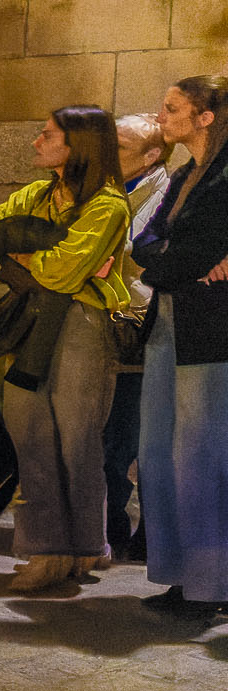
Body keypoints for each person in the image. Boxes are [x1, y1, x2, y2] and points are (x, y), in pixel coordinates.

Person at [0, 107, 131, 591]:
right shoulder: (34, 194)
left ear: (79, 144)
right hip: (30, 323)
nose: (36, 143)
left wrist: (23, 248)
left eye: (47, 135)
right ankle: (44, 549)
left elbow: (64, 272)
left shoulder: (108, 204)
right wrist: (40, 247)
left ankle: (84, 547)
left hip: (82, 325)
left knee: (78, 441)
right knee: (28, 434)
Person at [135, 75, 228, 618]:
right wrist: (177, 260)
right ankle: (179, 574)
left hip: (212, 327)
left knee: (201, 453)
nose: (161, 116)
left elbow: (175, 256)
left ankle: (213, 583)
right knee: (158, 450)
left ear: (205, 116)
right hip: (170, 317)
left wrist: (177, 260)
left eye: (172, 108)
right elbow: (145, 243)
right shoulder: (184, 174)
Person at [104, 112, 171, 560]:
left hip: (140, 325)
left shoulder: (164, 192)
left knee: (139, 439)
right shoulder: (109, 187)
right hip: (107, 324)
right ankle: (112, 526)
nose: (109, 155)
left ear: (150, 156)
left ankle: (149, 534)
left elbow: (143, 253)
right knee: (111, 439)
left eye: (121, 148)